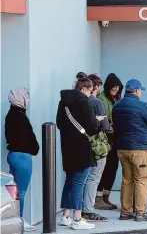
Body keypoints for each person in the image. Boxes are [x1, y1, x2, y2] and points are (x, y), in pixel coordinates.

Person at [112, 79, 147, 222]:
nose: (141, 92)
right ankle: (141, 212)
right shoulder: (142, 106)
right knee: (142, 180)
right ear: (136, 91)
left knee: (127, 180)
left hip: (122, 149)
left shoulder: (117, 106)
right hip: (139, 149)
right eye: (140, 90)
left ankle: (126, 211)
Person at [56, 74, 101, 230]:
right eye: (90, 91)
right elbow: (92, 128)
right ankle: (77, 218)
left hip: (67, 147)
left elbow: (59, 124)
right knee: (79, 182)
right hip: (82, 147)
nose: (90, 94)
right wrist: (98, 121)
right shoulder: (84, 102)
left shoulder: (63, 102)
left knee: (69, 181)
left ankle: (65, 216)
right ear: (84, 89)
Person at [5, 87, 39, 232]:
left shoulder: (10, 114)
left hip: (12, 155)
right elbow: (28, 138)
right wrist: (35, 148)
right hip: (22, 157)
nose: (28, 100)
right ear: (21, 98)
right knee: (21, 191)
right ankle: (19, 220)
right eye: (27, 97)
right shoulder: (20, 116)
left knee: (13, 191)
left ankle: (13, 219)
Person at [82, 73, 113, 222]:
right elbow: (106, 126)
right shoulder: (97, 102)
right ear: (95, 86)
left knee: (83, 177)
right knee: (94, 177)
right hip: (97, 143)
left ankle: (80, 208)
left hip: (82, 142)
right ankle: (88, 209)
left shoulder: (80, 101)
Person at [96, 73, 124, 210]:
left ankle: (106, 196)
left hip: (114, 139)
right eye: (114, 87)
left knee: (112, 168)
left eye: (118, 88)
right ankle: (99, 197)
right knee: (105, 168)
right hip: (106, 139)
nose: (116, 90)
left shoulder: (117, 99)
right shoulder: (101, 99)